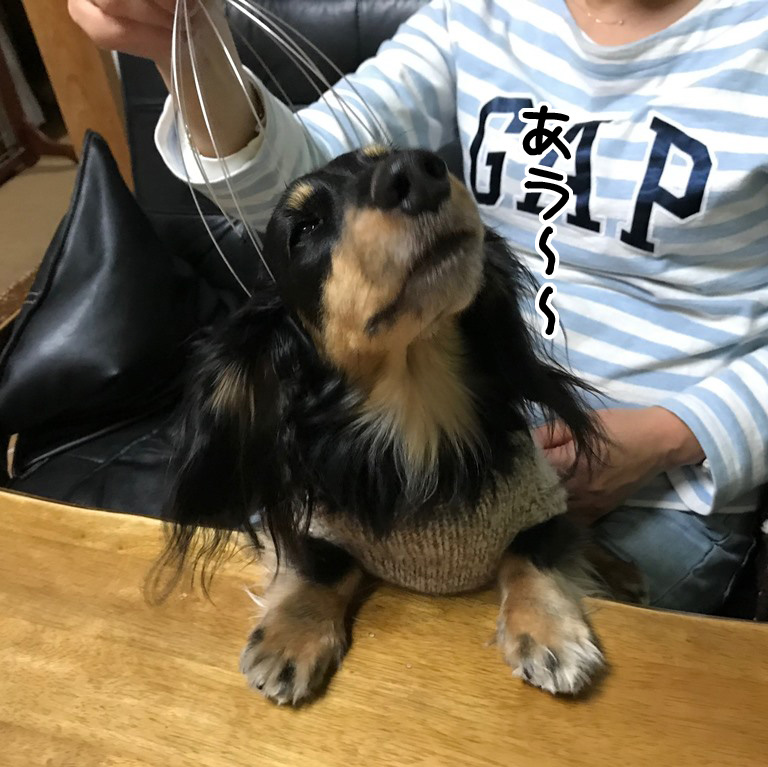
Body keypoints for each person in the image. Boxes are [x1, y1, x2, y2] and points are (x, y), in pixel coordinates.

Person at [69, 0, 768, 613]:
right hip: (457, 426)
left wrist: (672, 433)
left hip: (659, 483)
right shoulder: (479, 14)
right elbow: (299, 191)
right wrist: (189, 45)